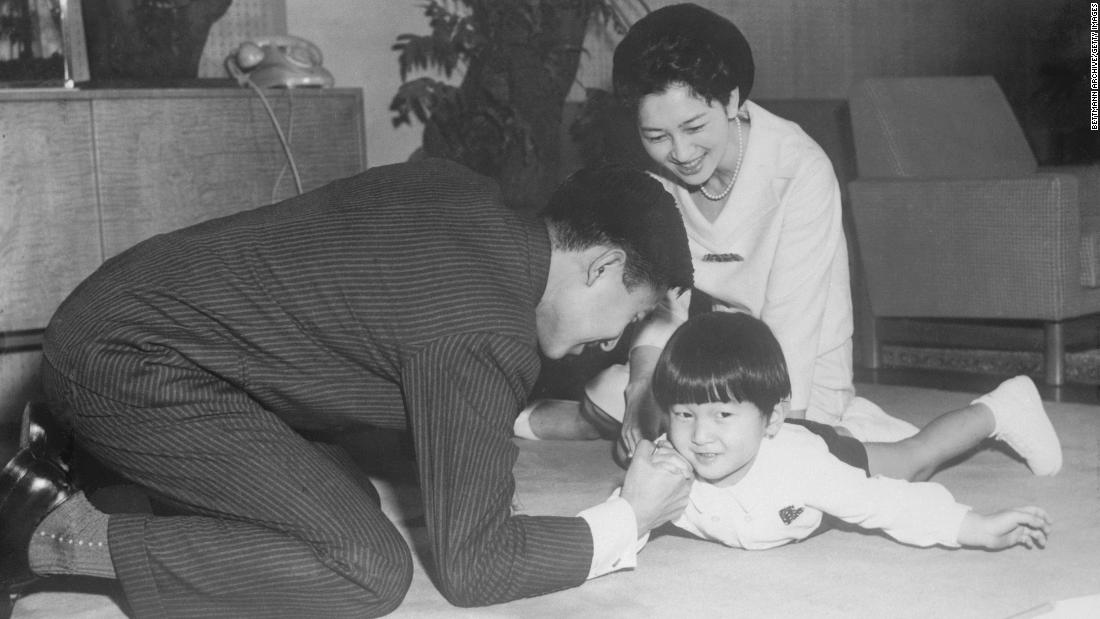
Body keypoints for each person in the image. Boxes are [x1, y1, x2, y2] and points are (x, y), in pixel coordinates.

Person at [0, 159, 697, 618]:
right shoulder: (482, 325)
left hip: (130, 316)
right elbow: (476, 566)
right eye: (632, 313)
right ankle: (53, 534)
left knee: (347, 502)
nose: (612, 340)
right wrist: (627, 519)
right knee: (365, 567)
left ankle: (93, 464)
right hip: (126, 362)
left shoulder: (469, 199)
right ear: (602, 265)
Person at [516, 2, 916, 449]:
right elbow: (665, 305)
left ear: (731, 99)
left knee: (790, 449)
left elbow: (794, 328)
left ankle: (590, 420)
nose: (681, 153)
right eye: (656, 137)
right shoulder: (651, 180)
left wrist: (782, 435)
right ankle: (604, 413)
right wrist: (640, 388)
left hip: (800, 361)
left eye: (693, 127)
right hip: (713, 354)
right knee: (645, 401)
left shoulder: (799, 169)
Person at [636, 311, 1059, 553]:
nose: (700, 437)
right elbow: (621, 520)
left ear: (772, 417)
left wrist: (976, 528)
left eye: (722, 415)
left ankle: (1002, 407)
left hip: (822, 449)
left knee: (915, 459)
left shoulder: (806, 468)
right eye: (683, 414)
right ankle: (857, 422)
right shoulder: (668, 468)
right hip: (782, 441)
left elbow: (889, 504)